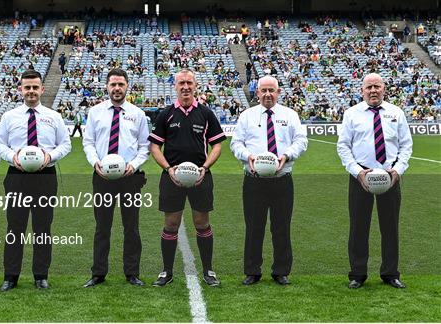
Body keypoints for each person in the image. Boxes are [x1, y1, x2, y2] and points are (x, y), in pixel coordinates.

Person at [149, 69, 227, 287]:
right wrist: (168, 169)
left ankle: (208, 270)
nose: (185, 87)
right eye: (181, 83)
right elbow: (155, 146)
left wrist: (204, 167)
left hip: (200, 177)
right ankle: (166, 272)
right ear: (175, 86)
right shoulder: (166, 114)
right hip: (172, 177)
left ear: (195, 86)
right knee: (170, 224)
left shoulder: (206, 113)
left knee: (202, 223)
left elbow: (217, 145)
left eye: (189, 83)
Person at [0, 69, 71, 291]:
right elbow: (0, 144)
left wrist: (50, 156)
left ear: (42, 89)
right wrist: (13, 157)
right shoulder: (9, 117)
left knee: (42, 228)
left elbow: (65, 144)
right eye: (27, 87)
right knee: (14, 228)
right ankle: (10, 276)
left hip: (45, 176)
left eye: (34, 87)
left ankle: (41, 275)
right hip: (17, 176)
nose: (31, 91)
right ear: (21, 89)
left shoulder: (54, 116)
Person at [337, 73, 412, 289]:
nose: (373, 90)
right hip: (361, 178)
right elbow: (343, 146)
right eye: (368, 87)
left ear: (384, 89)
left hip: (390, 178)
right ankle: (358, 274)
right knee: (359, 227)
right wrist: (357, 172)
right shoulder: (352, 114)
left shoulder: (396, 113)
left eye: (377, 86)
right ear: (362, 90)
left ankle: (390, 273)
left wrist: (397, 171)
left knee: (390, 228)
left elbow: (406, 145)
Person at [230, 76, 307, 286]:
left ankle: (281, 271)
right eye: (263, 90)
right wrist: (248, 157)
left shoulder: (290, 115)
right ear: (257, 93)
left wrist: (287, 155)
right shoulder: (247, 116)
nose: (267, 94)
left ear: (278, 92)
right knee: (254, 227)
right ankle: (252, 271)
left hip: (282, 180)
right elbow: (236, 143)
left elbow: (301, 140)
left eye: (271, 90)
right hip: (254, 181)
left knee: (281, 227)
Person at [82, 68, 150, 287]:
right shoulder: (95, 112)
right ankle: (98, 273)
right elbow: (88, 143)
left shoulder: (138, 114)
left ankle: (132, 273)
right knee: (102, 226)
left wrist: (134, 165)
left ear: (127, 86)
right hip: (102, 177)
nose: (117, 88)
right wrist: (95, 163)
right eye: (113, 84)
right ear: (107, 87)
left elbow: (144, 147)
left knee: (131, 227)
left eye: (121, 84)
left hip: (130, 177)